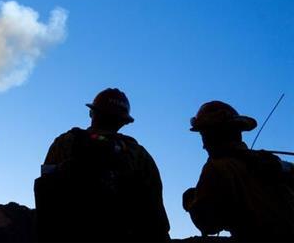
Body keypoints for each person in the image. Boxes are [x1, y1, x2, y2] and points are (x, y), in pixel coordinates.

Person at [34, 88, 170, 241]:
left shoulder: (66, 141)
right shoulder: (138, 154)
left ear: (92, 113)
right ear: (124, 122)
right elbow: (156, 213)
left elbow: (45, 191)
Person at [183, 100, 294, 241]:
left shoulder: (218, 167)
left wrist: (190, 201)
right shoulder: (270, 161)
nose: (204, 145)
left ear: (211, 136)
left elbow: (208, 224)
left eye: (204, 135)